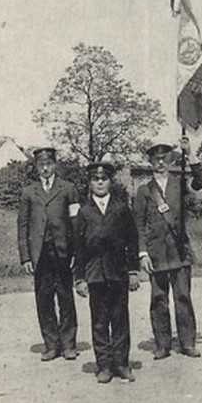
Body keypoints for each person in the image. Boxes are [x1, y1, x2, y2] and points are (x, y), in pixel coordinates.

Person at [134, 135, 202, 360]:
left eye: (164, 158)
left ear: (171, 161)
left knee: (183, 297)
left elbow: (200, 182)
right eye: (156, 159)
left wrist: (190, 154)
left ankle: (187, 343)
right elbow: (138, 224)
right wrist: (142, 253)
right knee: (158, 300)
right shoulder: (144, 191)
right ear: (150, 163)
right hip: (156, 254)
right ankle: (162, 344)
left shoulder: (179, 184)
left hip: (180, 251)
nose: (160, 163)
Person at [73, 160, 140, 384]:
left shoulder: (121, 208)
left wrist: (132, 271)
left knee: (120, 320)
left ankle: (121, 364)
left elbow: (133, 241)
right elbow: (79, 248)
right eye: (95, 179)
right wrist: (80, 278)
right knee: (99, 321)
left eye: (104, 179)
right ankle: (103, 365)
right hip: (95, 275)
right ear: (90, 183)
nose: (100, 183)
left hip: (118, 273)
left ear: (110, 182)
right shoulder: (83, 212)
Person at [17, 147, 80, 362]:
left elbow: (75, 223)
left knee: (66, 297)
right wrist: (25, 257)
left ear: (55, 165)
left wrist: (76, 253)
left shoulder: (68, 188)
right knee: (44, 299)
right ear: (36, 167)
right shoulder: (28, 192)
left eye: (49, 164)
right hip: (39, 253)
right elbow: (23, 225)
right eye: (41, 165)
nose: (45, 168)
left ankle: (69, 344)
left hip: (62, 252)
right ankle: (52, 345)